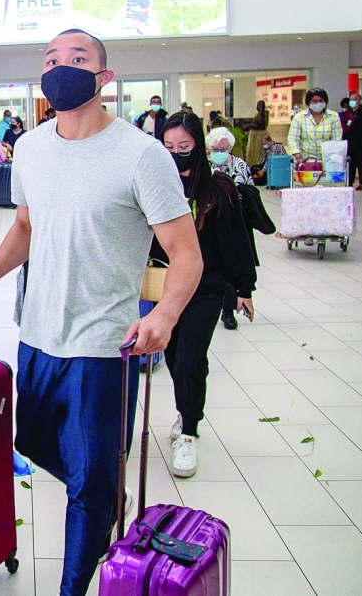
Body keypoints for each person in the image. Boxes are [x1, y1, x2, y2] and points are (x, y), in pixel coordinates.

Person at [0, 30, 202, 596]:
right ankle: (106, 489)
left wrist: (164, 315)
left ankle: (76, 579)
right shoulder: (32, 147)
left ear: (104, 79)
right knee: (35, 447)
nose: (62, 69)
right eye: (52, 60)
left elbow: (187, 254)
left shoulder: (142, 154)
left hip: (103, 346)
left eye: (78, 60)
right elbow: (25, 228)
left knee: (85, 487)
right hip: (37, 335)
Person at [154, 112, 256, 478]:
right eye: (168, 147)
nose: (176, 154)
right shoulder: (155, 186)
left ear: (198, 145)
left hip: (206, 287)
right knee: (174, 355)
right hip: (165, 288)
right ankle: (187, 410)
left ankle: (190, 432)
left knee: (191, 357)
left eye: (184, 147)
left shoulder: (216, 189)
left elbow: (235, 240)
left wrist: (244, 288)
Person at [205, 127, 254, 331]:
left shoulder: (239, 165)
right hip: (211, 223)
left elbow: (250, 190)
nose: (220, 151)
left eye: (224, 148)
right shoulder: (204, 166)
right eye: (216, 148)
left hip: (236, 222)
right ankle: (220, 306)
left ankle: (229, 310)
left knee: (234, 264)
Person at [286, 87, 342, 162]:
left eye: (320, 101)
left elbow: (336, 139)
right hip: (305, 161)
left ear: (325, 102)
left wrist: (332, 157)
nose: (318, 103)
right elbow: (293, 139)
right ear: (309, 102)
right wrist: (298, 156)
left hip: (328, 160)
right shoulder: (299, 117)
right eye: (314, 101)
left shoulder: (333, 116)